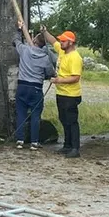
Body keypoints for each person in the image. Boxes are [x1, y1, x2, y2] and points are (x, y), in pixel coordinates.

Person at [13, 18, 57, 149]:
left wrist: (19, 29)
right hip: (36, 88)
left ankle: (20, 140)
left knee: (21, 113)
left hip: (22, 86)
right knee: (35, 115)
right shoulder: (45, 58)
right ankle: (34, 142)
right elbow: (50, 72)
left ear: (33, 41)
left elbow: (16, 42)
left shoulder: (25, 50)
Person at [42, 26, 83, 158]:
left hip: (71, 95)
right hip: (61, 94)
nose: (61, 43)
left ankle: (75, 148)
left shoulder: (75, 58)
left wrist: (59, 80)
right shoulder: (62, 50)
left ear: (71, 42)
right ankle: (67, 145)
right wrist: (45, 32)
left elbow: (75, 77)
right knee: (64, 119)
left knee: (72, 121)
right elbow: (52, 40)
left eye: (64, 41)